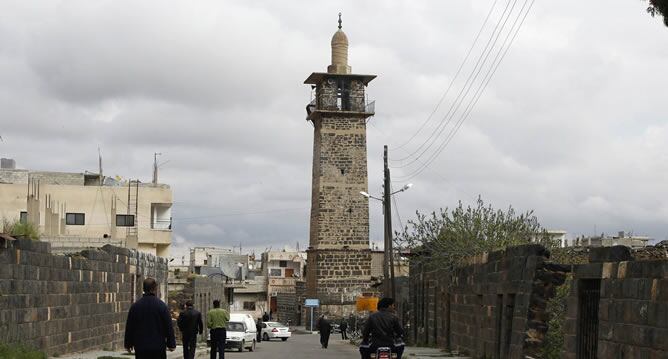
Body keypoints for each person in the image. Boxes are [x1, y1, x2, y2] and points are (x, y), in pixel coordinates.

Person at [124, 277, 176, 359]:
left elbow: (130, 326)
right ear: (155, 289)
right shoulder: (162, 306)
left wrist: (128, 344)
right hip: (158, 347)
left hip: (141, 347)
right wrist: (171, 344)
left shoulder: (135, 306)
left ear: (143, 288)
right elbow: (168, 326)